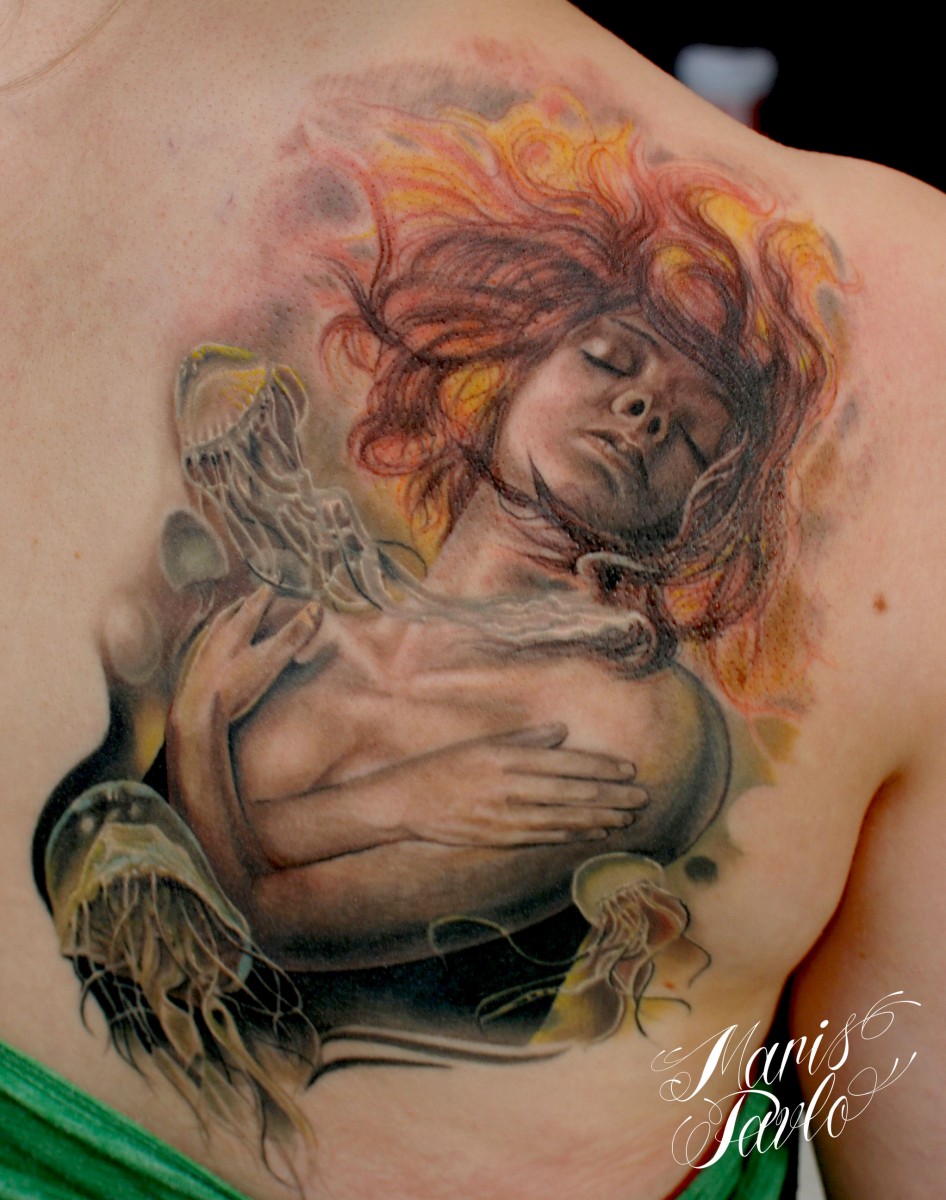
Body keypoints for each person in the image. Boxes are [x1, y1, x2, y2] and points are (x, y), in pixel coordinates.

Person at [2, 4, 945, 1199]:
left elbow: (269, 928)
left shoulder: (633, 717)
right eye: (607, 359)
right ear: (509, 370)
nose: (640, 409)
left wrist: (199, 738)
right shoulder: (924, 321)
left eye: (694, 429)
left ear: (714, 508)